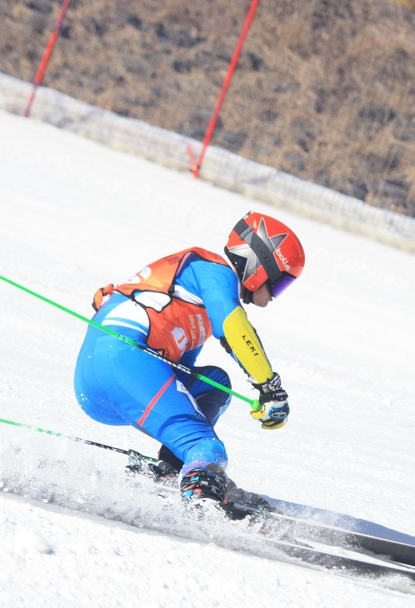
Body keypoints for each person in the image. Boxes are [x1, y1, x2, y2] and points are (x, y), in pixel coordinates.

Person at [73, 212, 305, 514]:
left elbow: (177, 374)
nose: (274, 296)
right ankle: (202, 494)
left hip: (103, 377)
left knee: (215, 382)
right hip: (122, 362)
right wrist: (270, 387)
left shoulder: (201, 296)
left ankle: (177, 471)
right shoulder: (214, 271)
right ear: (258, 267)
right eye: (279, 283)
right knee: (209, 449)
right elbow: (236, 329)